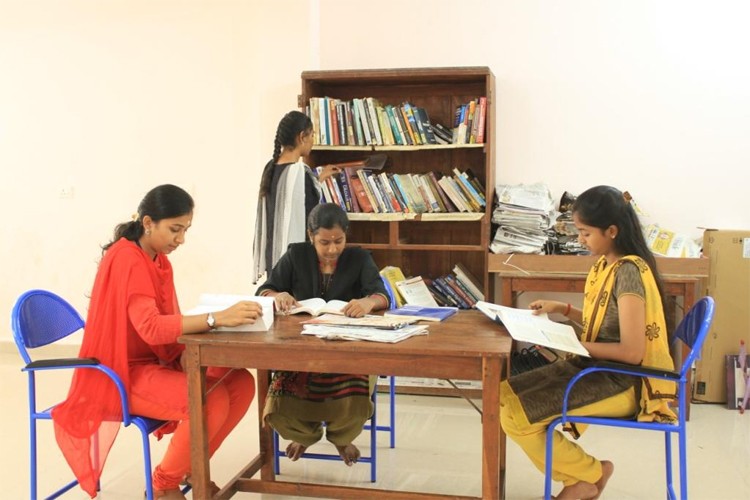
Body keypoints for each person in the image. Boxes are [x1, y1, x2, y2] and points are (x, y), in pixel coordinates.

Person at [52, 184, 263, 499]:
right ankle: (163, 485)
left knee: (240, 382)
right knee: (208, 400)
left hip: (151, 363)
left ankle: (194, 466)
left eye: (185, 230)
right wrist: (216, 318)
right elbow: (151, 327)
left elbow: (165, 325)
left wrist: (213, 327)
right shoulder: (126, 258)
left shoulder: (159, 259)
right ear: (148, 222)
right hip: (121, 372)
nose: (181, 239)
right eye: (175, 229)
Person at [500, 185, 676, 500]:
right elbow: (609, 324)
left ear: (611, 231)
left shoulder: (629, 273)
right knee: (502, 396)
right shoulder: (606, 264)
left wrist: (573, 344)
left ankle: (590, 474)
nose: (580, 240)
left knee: (516, 415)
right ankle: (584, 477)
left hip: (625, 382)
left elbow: (632, 353)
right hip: (597, 367)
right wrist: (563, 310)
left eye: (585, 233)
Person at [256, 203, 390, 465]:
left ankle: (342, 438)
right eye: (323, 242)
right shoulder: (296, 255)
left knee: (355, 385)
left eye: (338, 241)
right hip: (301, 347)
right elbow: (265, 289)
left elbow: (382, 295)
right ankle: (306, 435)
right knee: (281, 392)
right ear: (310, 236)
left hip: (348, 348)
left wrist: (367, 303)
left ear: (346, 236)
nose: (332, 249)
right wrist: (278, 295)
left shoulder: (359, 258)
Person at [253, 110, 341, 283]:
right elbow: (310, 214)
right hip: (295, 261)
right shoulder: (299, 172)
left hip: (273, 256)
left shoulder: (270, 168)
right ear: (302, 137)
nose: (313, 141)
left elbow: (289, 205)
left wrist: (319, 179)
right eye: (312, 135)